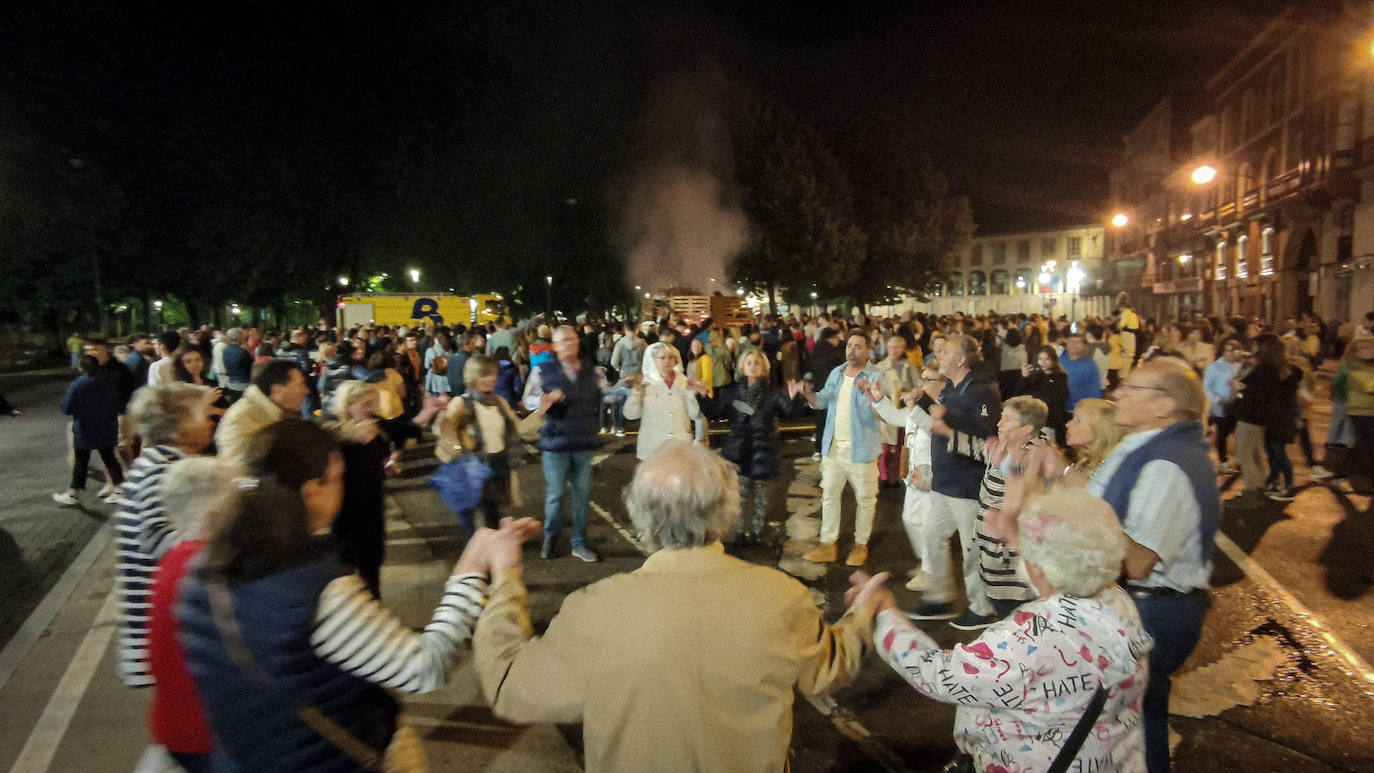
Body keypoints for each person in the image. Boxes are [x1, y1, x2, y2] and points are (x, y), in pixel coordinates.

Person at [472, 441, 878, 773]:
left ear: (640, 516)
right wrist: (864, 614)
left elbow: (510, 683)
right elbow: (828, 668)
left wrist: (506, 578)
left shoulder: (595, 609)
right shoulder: (780, 596)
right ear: (725, 514)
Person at [176, 419, 532, 772]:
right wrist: (470, 570)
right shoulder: (316, 588)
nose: (342, 489)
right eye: (338, 478)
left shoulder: (202, 568)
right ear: (311, 491)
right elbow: (425, 668)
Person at [852, 486, 1150, 773]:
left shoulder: (1030, 636)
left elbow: (938, 674)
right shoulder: (1119, 603)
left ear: (1040, 567)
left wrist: (885, 613)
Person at [1056, 358, 1219, 773]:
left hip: (1153, 609)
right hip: (1144, 605)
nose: (1118, 395)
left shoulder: (1166, 464)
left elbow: (1140, 559)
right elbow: (1102, 496)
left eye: (1132, 390)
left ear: (1165, 406)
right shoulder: (1145, 447)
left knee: (1131, 724)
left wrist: (1080, 519)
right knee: (1132, 719)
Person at [112, 382, 218, 688]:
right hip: (168, 630)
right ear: (182, 426)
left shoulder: (157, 463)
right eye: (203, 415)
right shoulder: (164, 470)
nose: (211, 422)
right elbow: (158, 541)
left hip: (168, 628)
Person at [146, 456, 238, 771]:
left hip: (176, 725)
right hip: (210, 732)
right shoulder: (212, 570)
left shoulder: (171, 561)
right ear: (215, 514)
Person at [915, 335, 1002, 629]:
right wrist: (923, 401)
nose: (939, 355)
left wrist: (945, 414)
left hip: (967, 483)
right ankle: (939, 598)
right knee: (932, 536)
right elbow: (944, 421)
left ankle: (982, 608)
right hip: (945, 480)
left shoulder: (982, 392)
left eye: (947, 351)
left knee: (972, 549)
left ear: (961, 359)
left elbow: (986, 434)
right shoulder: (951, 388)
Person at [522, 324, 622, 562]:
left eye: (573, 339)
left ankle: (579, 542)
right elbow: (528, 400)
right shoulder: (542, 371)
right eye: (564, 340)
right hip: (556, 442)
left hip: (584, 442)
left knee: (581, 496)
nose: (570, 344)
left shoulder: (592, 370)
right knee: (555, 495)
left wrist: (626, 387)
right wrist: (545, 399)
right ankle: (551, 537)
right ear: (554, 346)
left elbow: (609, 395)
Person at [794, 331, 882, 567]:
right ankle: (827, 544)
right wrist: (808, 393)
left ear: (868, 351)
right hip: (833, 448)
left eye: (858, 346)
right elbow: (822, 401)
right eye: (849, 345)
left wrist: (871, 396)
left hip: (860, 450)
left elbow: (878, 412)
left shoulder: (875, 376)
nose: (852, 350)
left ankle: (860, 544)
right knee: (830, 496)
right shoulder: (837, 373)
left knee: (865, 499)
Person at [434, 355, 550, 532]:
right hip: (474, 468)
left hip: (498, 467)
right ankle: (481, 553)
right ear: (472, 377)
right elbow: (444, 433)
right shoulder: (461, 403)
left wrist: (541, 412)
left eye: (493, 374)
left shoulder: (500, 403)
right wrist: (456, 449)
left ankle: (488, 553)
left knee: (492, 516)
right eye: (484, 375)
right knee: (480, 521)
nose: (490, 379)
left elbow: (518, 428)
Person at [701, 349, 801, 545]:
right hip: (738, 450)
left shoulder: (773, 392)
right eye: (749, 363)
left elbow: (790, 413)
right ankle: (739, 533)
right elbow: (715, 412)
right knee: (739, 494)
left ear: (764, 367)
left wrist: (794, 396)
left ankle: (756, 533)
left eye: (757, 362)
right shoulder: (732, 391)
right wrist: (703, 396)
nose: (753, 366)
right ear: (742, 367)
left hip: (763, 449)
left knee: (760, 495)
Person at [869, 363, 954, 593]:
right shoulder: (919, 405)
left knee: (929, 526)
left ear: (943, 383)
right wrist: (879, 400)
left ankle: (931, 572)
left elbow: (935, 430)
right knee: (910, 519)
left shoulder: (943, 407)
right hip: (914, 473)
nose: (922, 384)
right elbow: (898, 418)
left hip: (933, 475)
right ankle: (926, 564)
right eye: (923, 378)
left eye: (928, 379)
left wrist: (915, 406)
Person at [53, 355, 126, 506]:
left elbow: (66, 408)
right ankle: (120, 489)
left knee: (81, 461)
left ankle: (73, 493)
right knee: (110, 458)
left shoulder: (77, 385)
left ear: (81, 368)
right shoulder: (109, 382)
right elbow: (119, 403)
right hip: (107, 426)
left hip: (85, 429)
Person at [215, 358, 310, 466]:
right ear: (277, 390)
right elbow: (236, 471)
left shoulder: (284, 412)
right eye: (300, 384)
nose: (306, 390)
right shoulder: (241, 419)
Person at [623, 342, 703, 461]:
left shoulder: (684, 381)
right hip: (653, 447)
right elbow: (631, 414)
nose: (667, 361)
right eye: (662, 358)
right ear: (653, 360)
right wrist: (637, 392)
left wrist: (693, 393)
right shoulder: (645, 384)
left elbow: (693, 414)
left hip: (680, 446)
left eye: (671, 357)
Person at [875, 333, 918, 486]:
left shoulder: (909, 367)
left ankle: (901, 474)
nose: (893, 351)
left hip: (904, 410)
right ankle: (884, 476)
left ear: (903, 349)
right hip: (886, 410)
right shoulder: (880, 367)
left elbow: (918, 385)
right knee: (885, 447)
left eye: (897, 348)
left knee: (903, 445)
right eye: (891, 347)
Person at [1203, 338, 1244, 474]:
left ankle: (1240, 460)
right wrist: (1215, 399)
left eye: (1234, 350)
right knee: (1222, 433)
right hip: (1221, 405)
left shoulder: (1240, 367)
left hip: (1237, 405)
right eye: (1228, 350)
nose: (1231, 353)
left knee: (1239, 433)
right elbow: (1207, 386)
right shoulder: (1215, 367)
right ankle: (1223, 461)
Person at [1020, 345, 1069, 445]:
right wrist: (1024, 378)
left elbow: (1058, 398)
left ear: (1053, 360)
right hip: (1034, 420)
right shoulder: (1036, 376)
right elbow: (1020, 394)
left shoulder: (1060, 377)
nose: (1043, 362)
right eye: (1040, 358)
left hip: (1050, 420)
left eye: (1047, 359)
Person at [1066, 398, 1126, 478]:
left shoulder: (1113, 467)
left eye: (1078, 420)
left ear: (1100, 428)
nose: (1067, 424)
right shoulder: (1083, 463)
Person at [1060, 331, 1104, 412]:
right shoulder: (1059, 361)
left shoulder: (1090, 366)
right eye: (1071, 342)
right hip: (1059, 408)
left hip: (1078, 410)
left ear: (1084, 346)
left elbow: (1095, 391)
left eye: (1078, 342)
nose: (1073, 344)